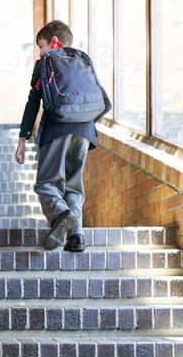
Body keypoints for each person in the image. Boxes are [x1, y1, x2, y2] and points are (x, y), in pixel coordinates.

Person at [15, 20, 111, 252]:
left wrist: (23, 137)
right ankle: (76, 236)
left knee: (47, 183)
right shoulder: (82, 60)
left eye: (41, 45)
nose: (40, 51)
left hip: (56, 127)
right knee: (73, 186)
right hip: (85, 131)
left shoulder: (45, 63)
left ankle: (61, 214)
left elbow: (33, 101)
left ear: (52, 42)